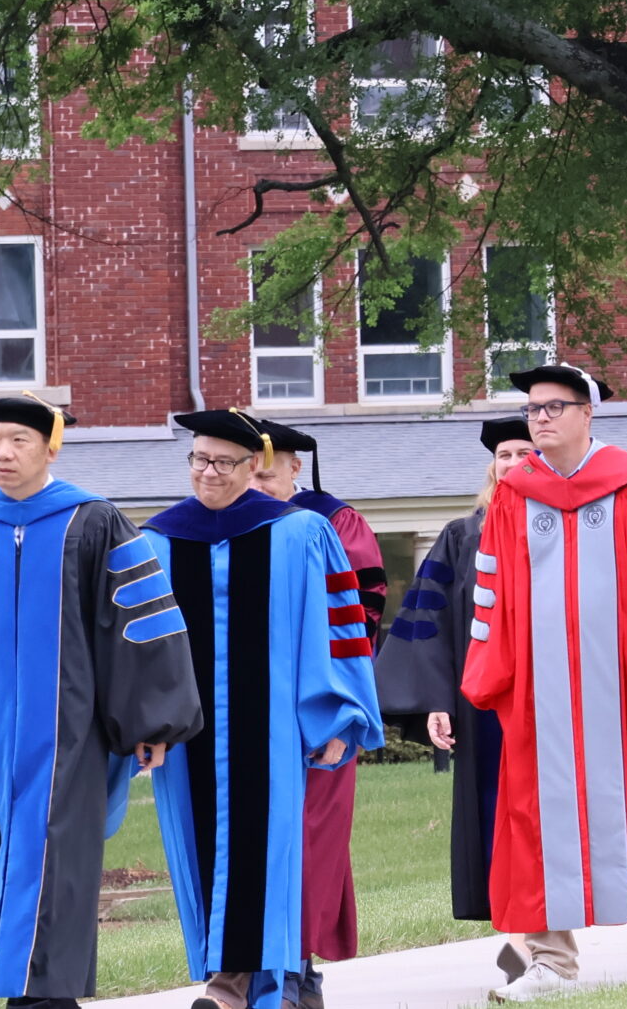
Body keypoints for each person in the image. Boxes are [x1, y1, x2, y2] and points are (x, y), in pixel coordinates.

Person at [0, 397, 202, 1009]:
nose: (2, 452)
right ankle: (44, 993)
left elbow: (139, 630)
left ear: (51, 447)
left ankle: (44, 998)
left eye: (19, 441)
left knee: (60, 861)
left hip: (70, 732)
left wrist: (149, 722)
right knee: (1, 852)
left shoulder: (95, 523)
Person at [466, 363, 627, 998]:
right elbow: (491, 596)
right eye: (533, 409)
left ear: (588, 413)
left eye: (554, 406)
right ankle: (551, 964)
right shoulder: (514, 495)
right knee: (532, 818)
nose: (541, 417)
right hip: (539, 697)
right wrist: (494, 679)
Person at [141, 409, 383, 1009]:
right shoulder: (156, 540)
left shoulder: (300, 533)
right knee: (203, 852)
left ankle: (237, 987)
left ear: (254, 468)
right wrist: (146, 720)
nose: (209, 472)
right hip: (189, 735)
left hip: (273, 730)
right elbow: (138, 647)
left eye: (223, 462)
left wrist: (336, 716)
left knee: (267, 851)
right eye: (199, 459)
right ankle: (239, 983)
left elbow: (337, 633)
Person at [375, 417, 532, 982]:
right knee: (495, 812)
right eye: (506, 455)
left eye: (525, 452)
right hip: (484, 705)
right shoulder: (463, 535)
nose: (514, 463)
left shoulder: (562, 528)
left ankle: (543, 934)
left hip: (550, 702)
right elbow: (430, 624)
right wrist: (437, 699)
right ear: (493, 466)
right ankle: (518, 935)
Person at [249, 421, 383, 1005]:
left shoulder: (333, 523)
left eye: (265, 469)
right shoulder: (216, 528)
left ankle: (297, 973)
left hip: (313, 719)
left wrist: (338, 713)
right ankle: (255, 971)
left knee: (308, 842)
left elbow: (357, 622)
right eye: (242, 468)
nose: (254, 480)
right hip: (244, 716)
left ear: (295, 468)